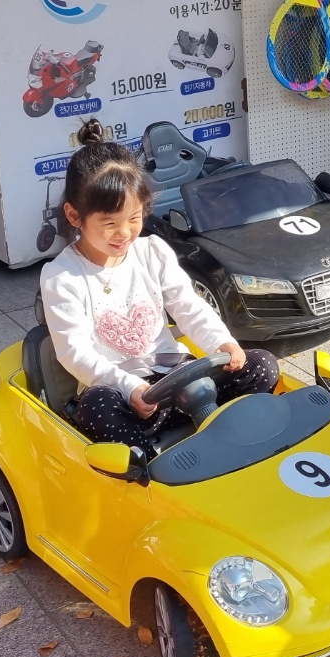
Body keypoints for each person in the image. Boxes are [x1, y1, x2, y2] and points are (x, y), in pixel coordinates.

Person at [39, 125, 278, 446]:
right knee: (97, 408)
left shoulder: (152, 251)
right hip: (125, 393)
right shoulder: (62, 277)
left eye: (134, 218)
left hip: (179, 378)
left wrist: (221, 342)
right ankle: (148, 461)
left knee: (261, 364)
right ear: (73, 215)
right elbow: (74, 352)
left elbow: (189, 307)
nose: (124, 233)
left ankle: (234, 434)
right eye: (109, 223)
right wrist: (130, 388)